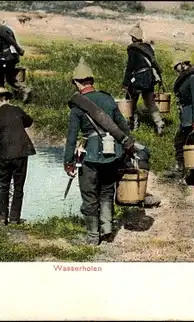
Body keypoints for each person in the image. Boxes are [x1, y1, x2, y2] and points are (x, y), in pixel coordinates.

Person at [64, 57, 131, 245]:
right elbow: (123, 127)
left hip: (90, 156)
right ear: (91, 81)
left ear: (77, 83)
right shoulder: (108, 98)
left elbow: (71, 138)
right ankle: (107, 229)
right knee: (107, 191)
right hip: (112, 154)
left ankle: (93, 237)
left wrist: (68, 162)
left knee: (89, 195)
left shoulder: (78, 105)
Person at [0, 87, 36, 225]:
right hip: (21, 152)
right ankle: (15, 219)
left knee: (4, 186)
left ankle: (2, 218)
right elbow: (29, 121)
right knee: (18, 187)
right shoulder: (17, 110)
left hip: (5, 154)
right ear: (7, 99)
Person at [163, 54, 194, 179]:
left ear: (183, 64)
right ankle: (188, 171)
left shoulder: (193, 78)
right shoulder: (186, 77)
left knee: (188, 143)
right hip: (187, 117)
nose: (175, 70)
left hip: (193, 118)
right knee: (184, 142)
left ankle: (191, 172)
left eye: (176, 66)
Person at [122, 23, 165, 133]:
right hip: (149, 79)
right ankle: (159, 122)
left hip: (138, 79)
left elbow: (130, 67)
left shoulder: (133, 49)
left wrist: (125, 83)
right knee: (150, 102)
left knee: (131, 101)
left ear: (133, 37)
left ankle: (133, 125)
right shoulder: (148, 47)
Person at [0, 15, 31, 103]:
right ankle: (18, 92)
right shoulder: (7, 29)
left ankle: (1, 98)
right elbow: (12, 42)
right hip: (13, 56)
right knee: (9, 77)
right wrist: (19, 50)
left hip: (5, 57)